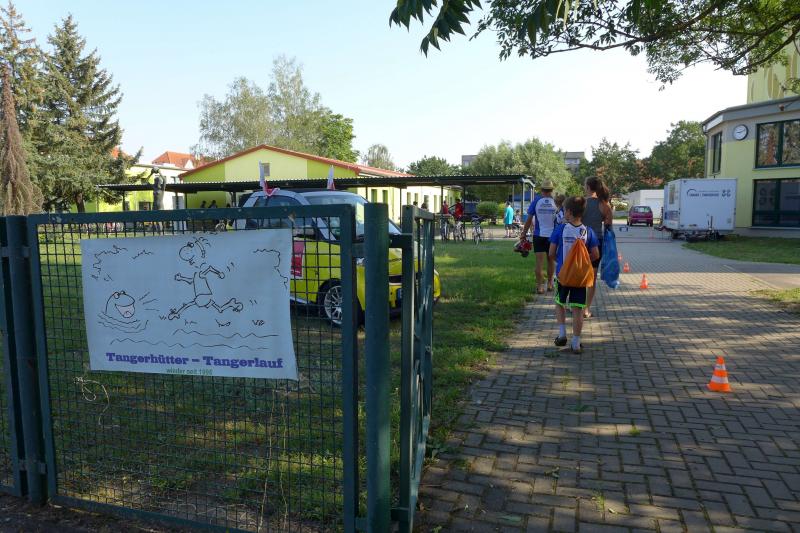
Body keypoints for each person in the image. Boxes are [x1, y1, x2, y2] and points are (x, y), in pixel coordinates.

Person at [549, 196, 600, 354]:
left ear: (569, 212)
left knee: (560, 303)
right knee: (578, 309)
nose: (563, 212)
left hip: (563, 275)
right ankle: (576, 343)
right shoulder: (588, 231)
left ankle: (562, 334)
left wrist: (561, 262)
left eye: (564, 210)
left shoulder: (560, 229)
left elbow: (551, 253)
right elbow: (596, 254)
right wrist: (582, 262)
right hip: (579, 278)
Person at [582, 177, 613, 319]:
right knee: (592, 277)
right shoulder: (604, 204)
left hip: (580, 242)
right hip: (597, 243)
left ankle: (576, 305)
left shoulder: (581, 203)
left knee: (578, 274)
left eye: (585, 185)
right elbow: (609, 226)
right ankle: (586, 309)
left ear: (588, 187)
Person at [520, 180, 558, 294]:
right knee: (551, 261)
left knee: (539, 263)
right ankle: (550, 284)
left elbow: (529, 220)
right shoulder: (556, 202)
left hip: (538, 235)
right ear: (551, 190)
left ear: (542, 190)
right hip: (552, 236)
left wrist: (523, 233)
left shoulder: (536, 201)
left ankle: (540, 287)